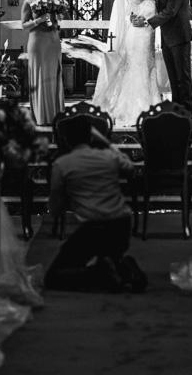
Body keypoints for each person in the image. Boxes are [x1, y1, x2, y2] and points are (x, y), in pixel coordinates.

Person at [46, 119, 147, 294]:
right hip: (122, 227)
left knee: (53, 277)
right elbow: (130, 169)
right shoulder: (109, 157)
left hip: (94, 230)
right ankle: (123, 266)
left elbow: (55, 210)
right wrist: (112, 148)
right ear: (91, 139)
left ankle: (98, 272)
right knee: (109, 256)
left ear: (66, 140)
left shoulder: (62, 165)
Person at [92, 0, 170, 126]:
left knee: (148, 70)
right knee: (138, 70)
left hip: (146, 37)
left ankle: (151, 106)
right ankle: (137, 110)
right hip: (137, 39)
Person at [132, 0, 192, 113]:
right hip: (167, 38)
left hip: (179, 37)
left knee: (183, 78)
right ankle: (177, 111)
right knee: (173, 78)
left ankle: (187, 113)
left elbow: (171, 11)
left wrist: (146, 22)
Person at [21, 0, 64, 126]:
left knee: (54, 76)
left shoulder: (50, 0)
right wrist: (38, 20)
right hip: (38, 42)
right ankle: (42, 116)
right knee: (41, 76)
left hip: (52, 40)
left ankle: (55, 114)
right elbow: (24, 25)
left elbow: (56, 23)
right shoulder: (28, 2)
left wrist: (58, 16)